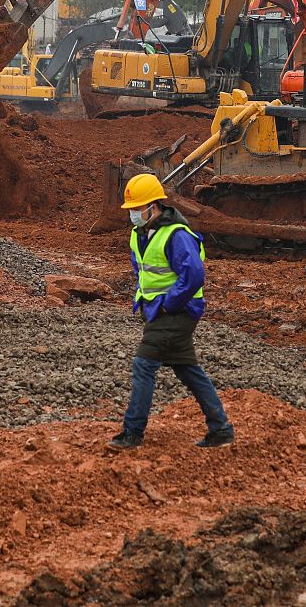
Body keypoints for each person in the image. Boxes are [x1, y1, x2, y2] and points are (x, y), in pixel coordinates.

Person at [109, 173, 233, 450]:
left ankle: (132, 432)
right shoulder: (139, 233)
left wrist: (168, 305)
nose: (132, 214)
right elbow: (142, 269)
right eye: (130, 210)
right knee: (187, 369)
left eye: (136, 209)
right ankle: (221, 429)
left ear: (153, 206)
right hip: (158, 310)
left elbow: (193, 275)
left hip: (176, 312)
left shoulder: (176, 234)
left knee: (144, 365)